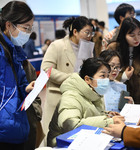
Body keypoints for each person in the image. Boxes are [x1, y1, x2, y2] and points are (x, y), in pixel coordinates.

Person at [47, 57, 125, 147]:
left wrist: (107, 115)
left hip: (87, 140)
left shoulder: (95, 93)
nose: (106, 80)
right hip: (63, 144)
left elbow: (89, 112)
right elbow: (72, 125)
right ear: (87, 79)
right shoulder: (70, 96)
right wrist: (108, 122)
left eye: (107, 76)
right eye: (102, 76)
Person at [41, 16, 94, 143]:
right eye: (87, 32)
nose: (90, 36)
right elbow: (46, 69)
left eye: (91, 33)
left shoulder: (88, 49)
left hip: (79, 99)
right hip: (58, 98)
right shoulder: (57, 46)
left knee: (75, 138)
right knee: (53, 139)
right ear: (75, 32)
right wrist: (71, 78)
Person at [0, 1, 36, 149]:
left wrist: (26, 88)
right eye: (25, 28)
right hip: (4, 127)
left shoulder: (14, 51)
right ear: (8, 25)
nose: (27, 33)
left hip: (15, 122)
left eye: (30, 29)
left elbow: (16, 83)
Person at [108, 17, 140, 104]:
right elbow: (104, 73)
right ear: (123, 35)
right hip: (117, 98)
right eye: (132, 35)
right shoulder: (113, 48)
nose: (137, 39)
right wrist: (122, 77)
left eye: (139, 34)